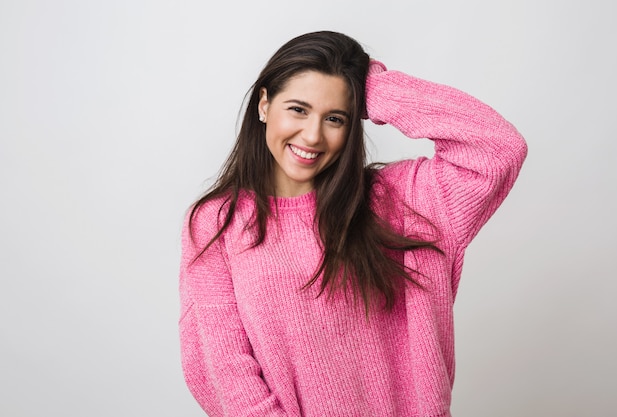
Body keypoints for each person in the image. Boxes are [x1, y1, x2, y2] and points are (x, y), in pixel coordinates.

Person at [179, 31, 527, 417]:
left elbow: (498, 149)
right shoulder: (217, 223)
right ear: (264, 104)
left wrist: (370, 87)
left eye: (334, 118)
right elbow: (226, 371)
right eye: (297, 109)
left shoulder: (402, 201)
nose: (312, 135)